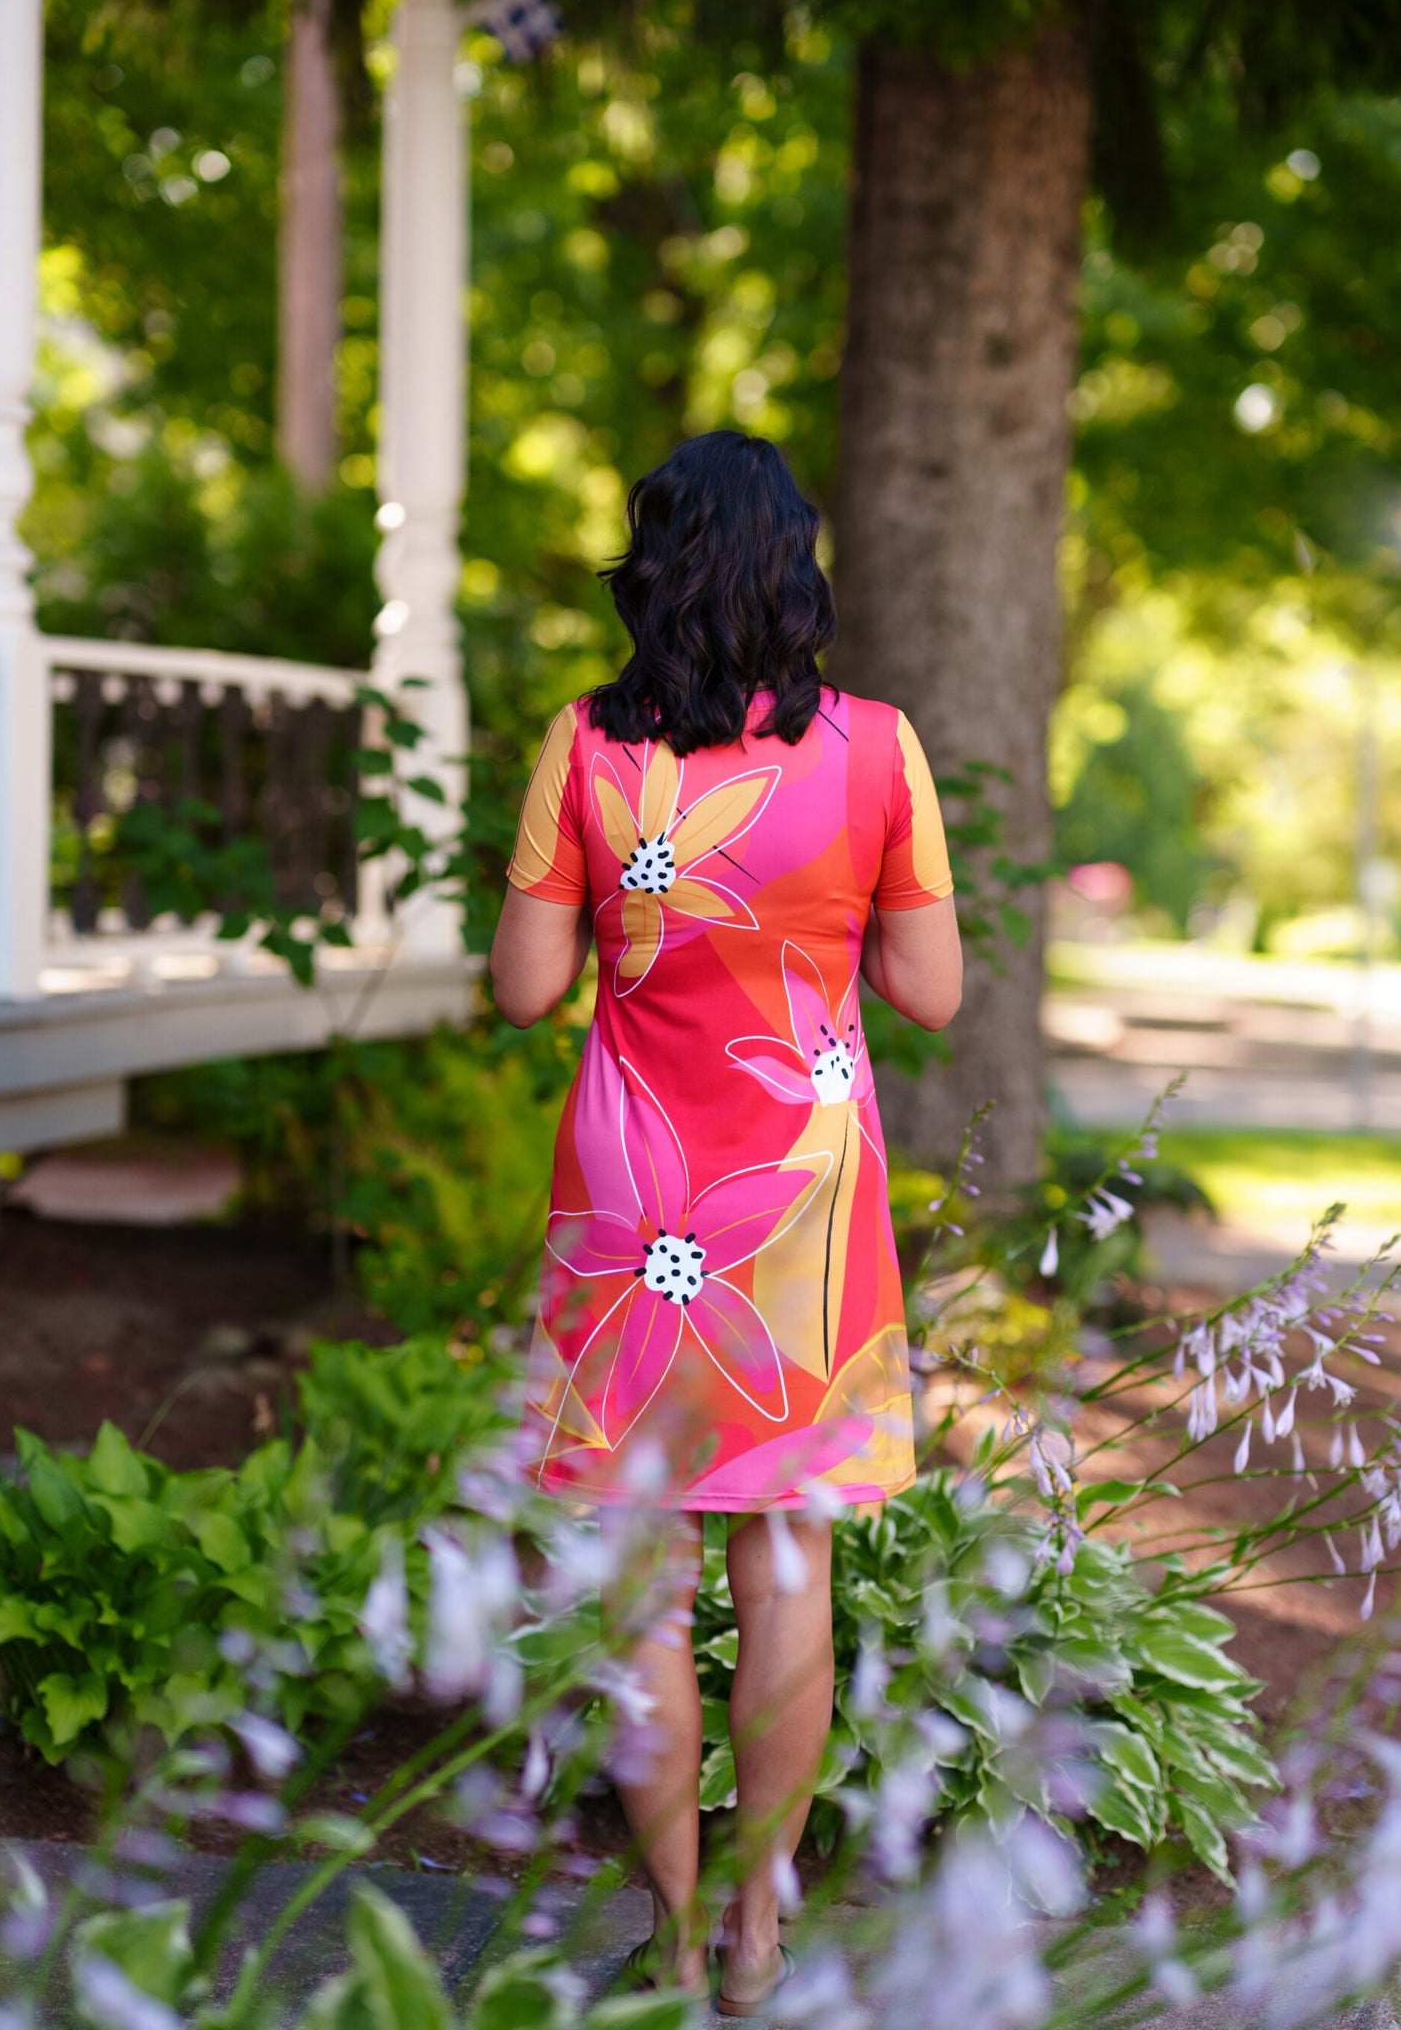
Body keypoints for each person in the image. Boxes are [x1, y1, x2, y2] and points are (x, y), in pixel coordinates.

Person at [490, 430, 961, 2015]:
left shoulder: (588, 751)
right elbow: (931, 991)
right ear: (798, 573)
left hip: (635, 1200)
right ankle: (761, 1933)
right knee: (785, 1569)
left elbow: (525, 988)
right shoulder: (879, 751)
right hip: (800, 1201)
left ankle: (674, 1934)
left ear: (650, 577)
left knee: (641, 1583)